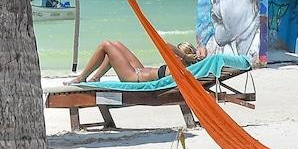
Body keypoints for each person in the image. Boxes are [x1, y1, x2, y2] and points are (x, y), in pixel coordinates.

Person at [68, 39, 204, 85]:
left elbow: (166, 45)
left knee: (105, 45)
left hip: (133, 77)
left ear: (182, 57)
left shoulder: (179, 67)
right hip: (139, 71)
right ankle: (95, 78)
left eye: (178, 54)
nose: (175, 55)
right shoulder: (185, 67)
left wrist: (185, 57)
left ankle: (82, 77)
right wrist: (198, 53)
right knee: (116, 45)